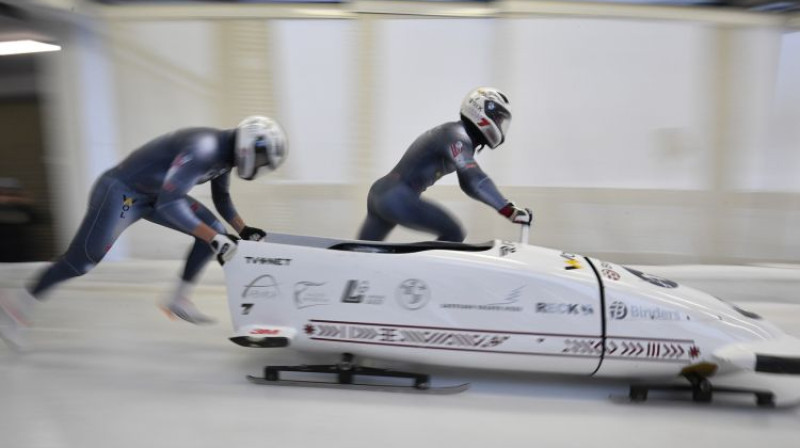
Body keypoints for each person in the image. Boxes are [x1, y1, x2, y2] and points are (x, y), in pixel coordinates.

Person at [0, 116, 288, 347]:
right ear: (251, 147)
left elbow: (221, 199)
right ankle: (18, 304)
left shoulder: (226, 156)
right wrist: (216, 238)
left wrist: (243, 229)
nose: (260, 168)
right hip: (121, 192)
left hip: (155, 196)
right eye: (263, 161)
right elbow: (170, 202)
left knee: (212, 229)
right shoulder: (205, 147)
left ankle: (177, 299)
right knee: (82, 261)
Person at [357, 87, 532, 242]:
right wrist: (508, 210)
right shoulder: (458, 136)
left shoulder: (455, 135)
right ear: (484, 113)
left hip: (381, 193)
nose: (501, 125)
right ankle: (417, 276)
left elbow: (468, 184)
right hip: (397, 198)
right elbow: (474, 179)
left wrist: (503, 206)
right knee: (454, 233)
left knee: (362, 255)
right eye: (499, 120)